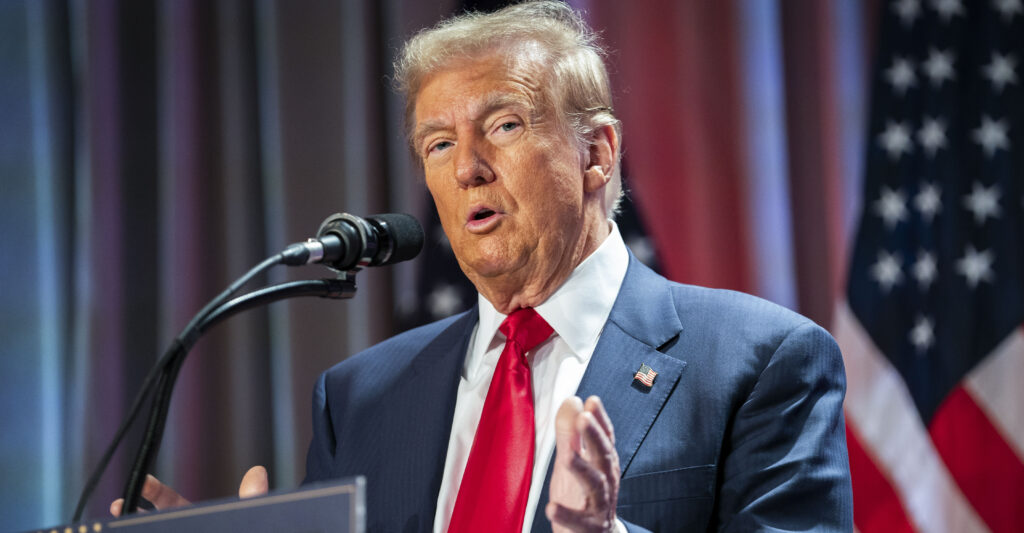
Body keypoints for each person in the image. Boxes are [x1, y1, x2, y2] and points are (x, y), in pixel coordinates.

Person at [114, 2, 853, 531]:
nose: (467, 167)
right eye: (437, 143)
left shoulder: (759, 362)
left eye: (503, 125)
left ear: (596, 153)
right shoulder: (359, 398)